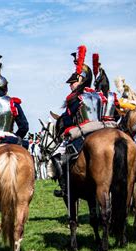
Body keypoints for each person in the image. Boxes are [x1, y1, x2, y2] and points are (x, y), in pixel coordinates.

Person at [50, 46, 90, 198]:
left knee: (58, 156)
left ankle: (65, 188)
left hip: (81, 133)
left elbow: (68, 118)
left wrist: (62, 122)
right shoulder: (96, 94)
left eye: (73, 82)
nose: (70, 85)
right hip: (101, 128)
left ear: (81, 80)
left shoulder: (75, 98)